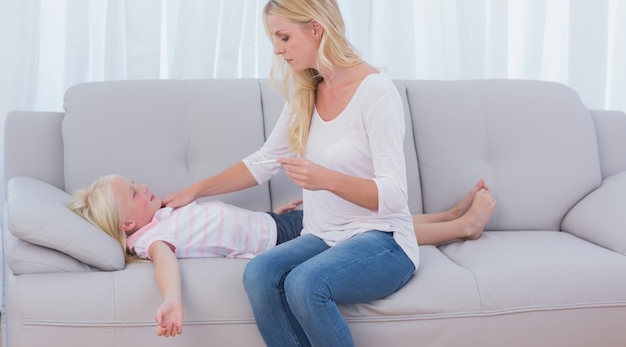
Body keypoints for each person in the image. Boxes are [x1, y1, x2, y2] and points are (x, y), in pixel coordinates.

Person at [162, 0, 496, 347]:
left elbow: (395, 195)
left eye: (284, 36)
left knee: (306, 283)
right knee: (259, 273)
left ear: (316, 29)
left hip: (384, 241)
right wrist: (194, 191)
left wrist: (327, 179)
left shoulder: (375, 92)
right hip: (323, 235)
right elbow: (264, 162)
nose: (276, 49)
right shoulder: (307, 91)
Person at [71, 174, 494, 340]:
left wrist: (274, 215)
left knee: (366, 216)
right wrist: (172, 299)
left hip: (278, 224)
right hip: (281, 244)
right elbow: (165, 264)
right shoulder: (152, 240)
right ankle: (460, 226)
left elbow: (224, 223)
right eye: (134, 194)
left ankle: (446, 214)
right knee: (367, 227)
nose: (143, 186)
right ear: (127, 226)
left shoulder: (162, 214)